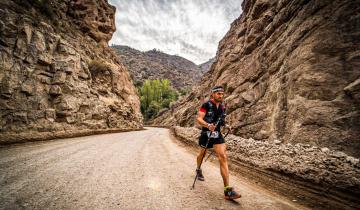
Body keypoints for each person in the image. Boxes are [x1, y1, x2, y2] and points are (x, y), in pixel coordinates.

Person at [196, 86, 241, 200]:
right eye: (218, 94)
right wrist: (207, 125)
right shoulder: (206, 105)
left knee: (223, 157)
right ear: (213, 94)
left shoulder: (222, 107)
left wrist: (226, 126)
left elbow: (221, 121)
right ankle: (198, 169)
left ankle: (227, 190)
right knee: (202, 154)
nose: (220, 96)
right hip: (206, 133)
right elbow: (199, 119)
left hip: (217, 135)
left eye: (222, 94)